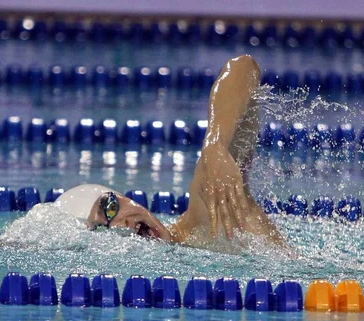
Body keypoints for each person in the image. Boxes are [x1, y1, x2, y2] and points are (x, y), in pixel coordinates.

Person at [56, 55, 288, 250]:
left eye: (110, 206)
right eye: (103, 228)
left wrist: (214, 146)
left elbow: (244, 68)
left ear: (126, 198)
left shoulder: (208, 214)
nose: (120, 223)